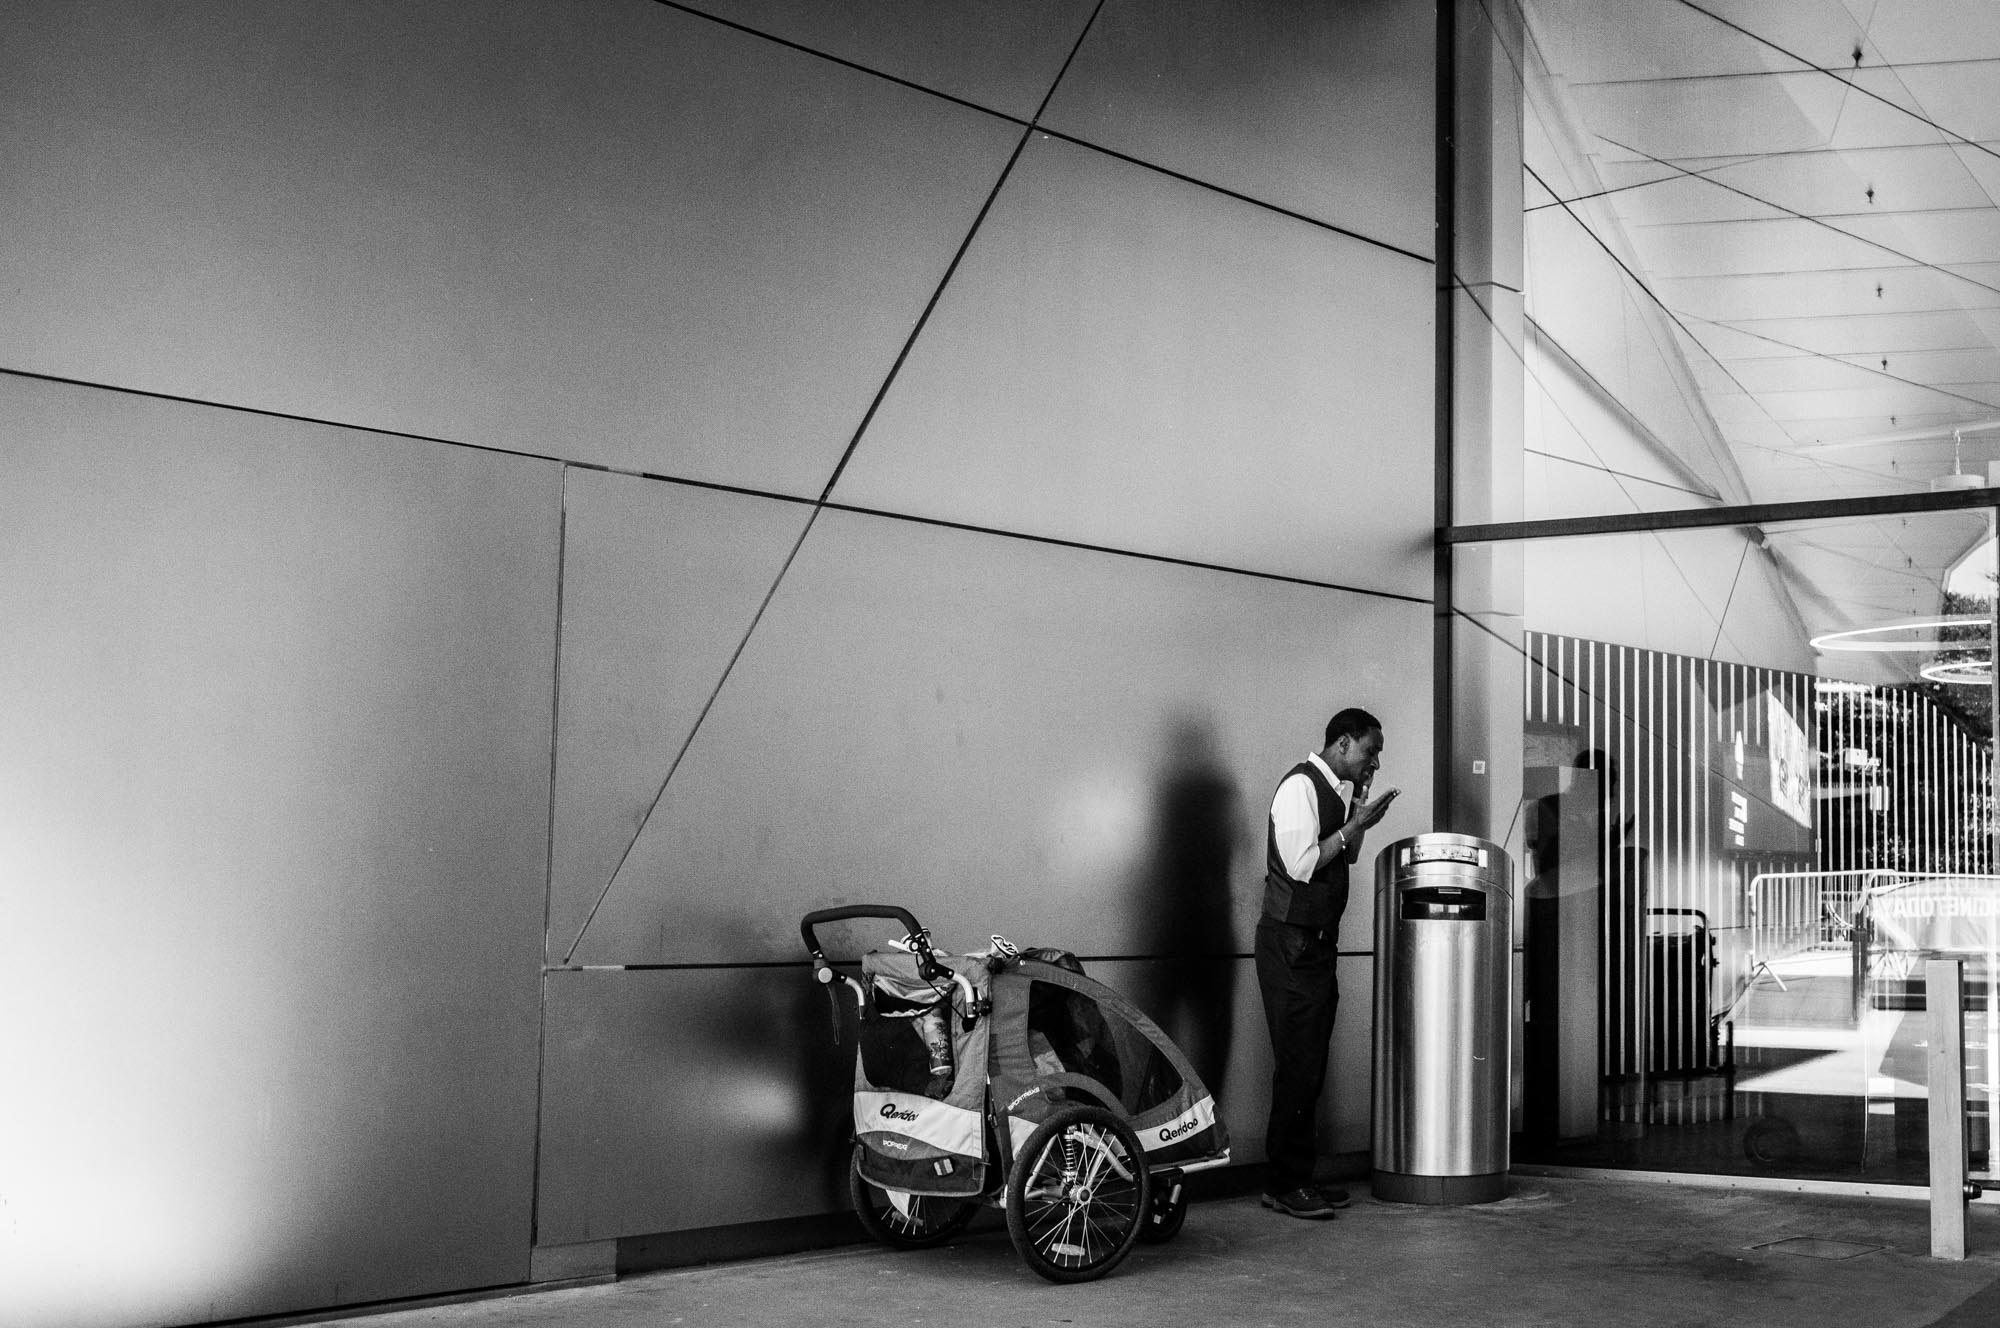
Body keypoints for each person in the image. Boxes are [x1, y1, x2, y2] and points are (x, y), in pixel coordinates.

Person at [1256, 707, 1399, 1219]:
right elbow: (1299, 866)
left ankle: (1296, 1179)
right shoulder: (1300, 787)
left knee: (1309, 1065)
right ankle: (1285, 1183)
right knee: (1298, 1066)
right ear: (1342, 743)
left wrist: (1359, 815)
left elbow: (1347, 856)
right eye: (1370, 751)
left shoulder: (1335, 791)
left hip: (1313, 946)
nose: (1375, 762)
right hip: (1292, 946)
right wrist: (1354, 823)